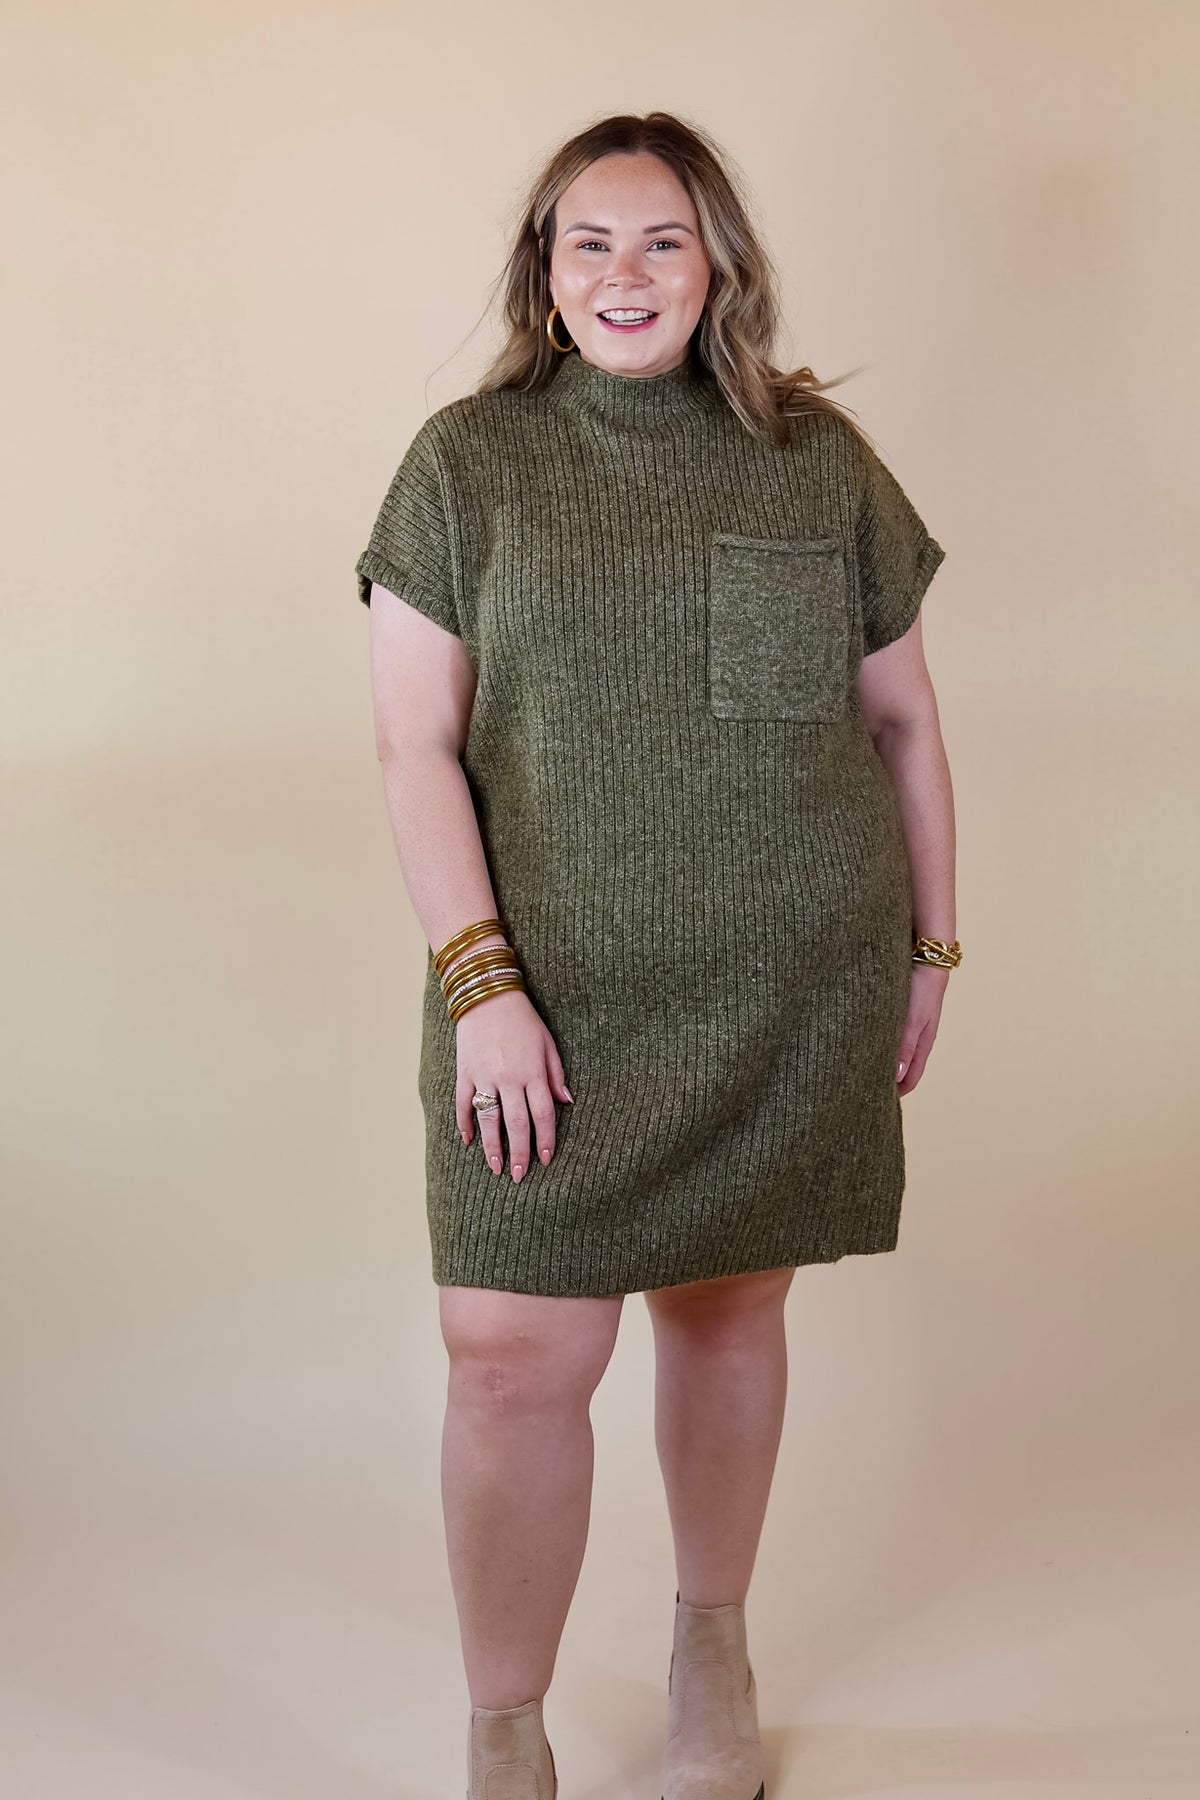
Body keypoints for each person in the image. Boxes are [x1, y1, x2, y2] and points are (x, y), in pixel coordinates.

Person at [355, 110, 960, 1800]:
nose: (626, 273)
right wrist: (482, 988)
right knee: (508, 1361)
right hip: (538, 1004)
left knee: (729, 1311)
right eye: (591, 242)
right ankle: (505, 1731)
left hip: (787, 990)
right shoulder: (464, 466)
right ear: (546, 276)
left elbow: (904, 723)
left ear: (719, 269)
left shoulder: (815, 460)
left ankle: (711, 1648)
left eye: (663, 240)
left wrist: (930, 949)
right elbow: (414, 746)